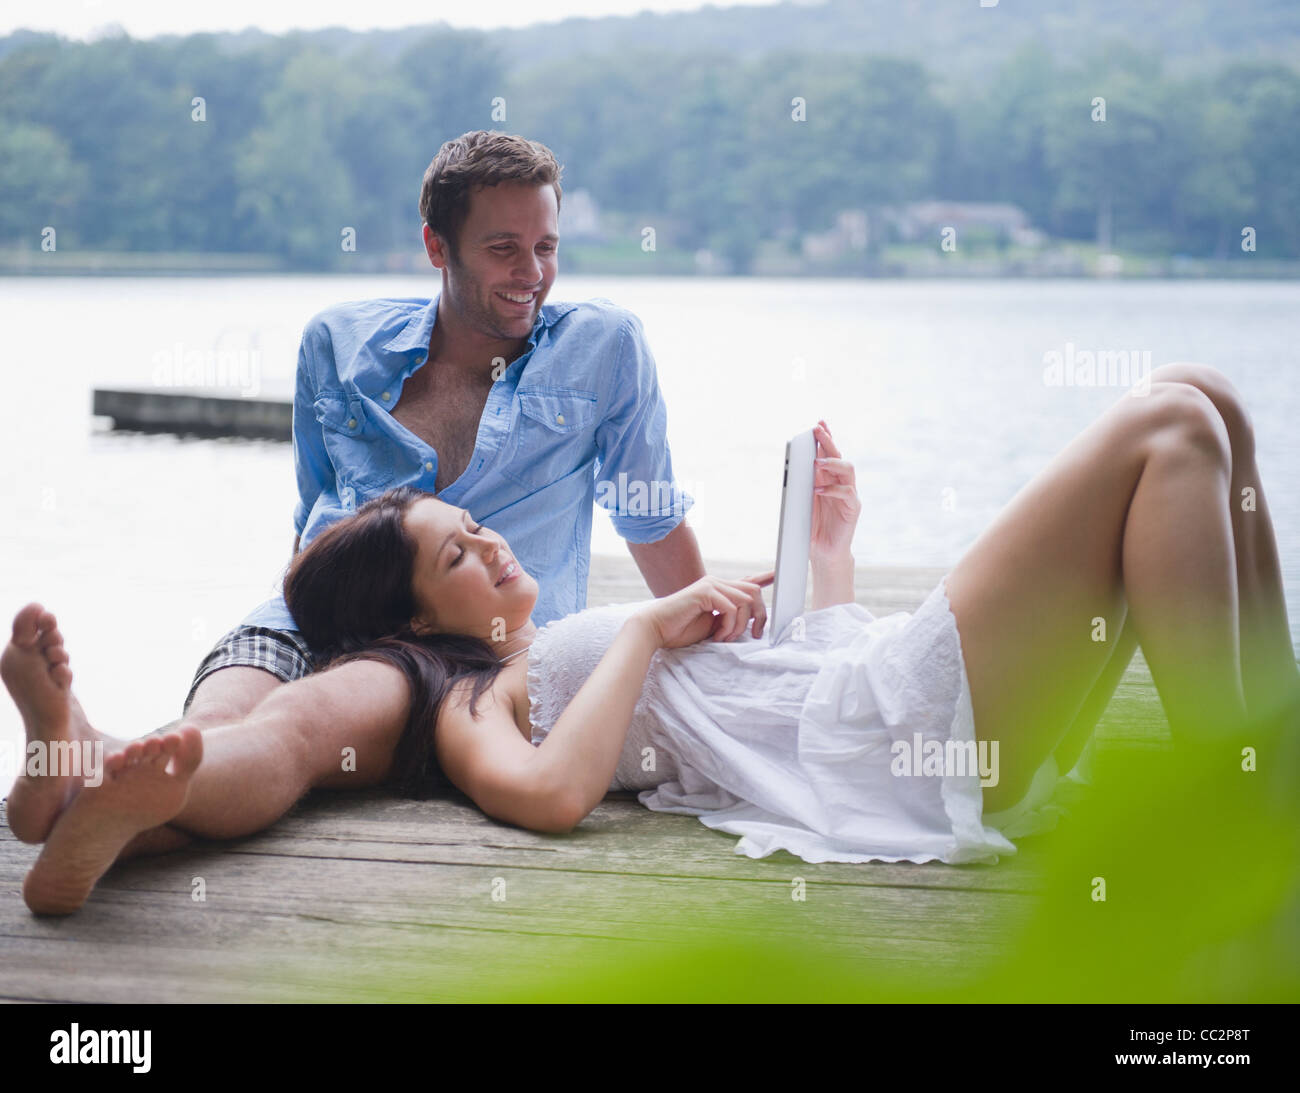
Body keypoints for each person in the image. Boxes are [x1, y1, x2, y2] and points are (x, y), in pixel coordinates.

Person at [6, 373, 1299, 912]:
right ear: (416, 621)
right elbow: (556, 795)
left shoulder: (535, 645)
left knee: (1209, 399)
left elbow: (770, 696)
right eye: (462, 558)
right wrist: (650, 629)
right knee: (1169, 433)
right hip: (886, 736)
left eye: (477, 528)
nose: (497, 551)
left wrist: (826, 553)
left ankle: (80, 799)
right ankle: (1248, 811)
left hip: (868, 710)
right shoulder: (482, 691)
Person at [47, 129, 722, 803]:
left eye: (545, 247)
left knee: (288, 737)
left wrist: (717, 660)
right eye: (503, 249)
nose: (532, 274)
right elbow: (314, 522)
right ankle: (80, 786)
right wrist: (294, 621)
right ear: (437, 246)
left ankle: (83, 772)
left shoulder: (602, 348)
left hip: (464, 655)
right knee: (215, 724)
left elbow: (650, 520)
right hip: (314, 615)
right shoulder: (335, 344)